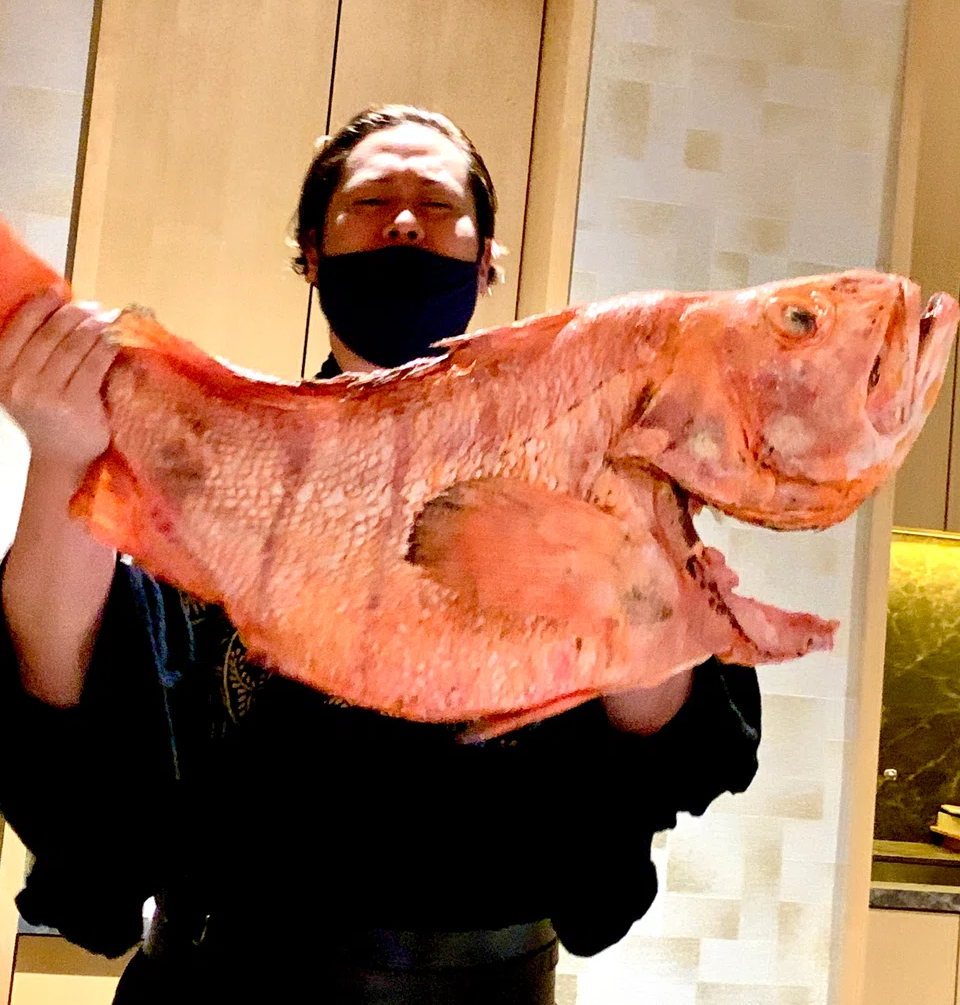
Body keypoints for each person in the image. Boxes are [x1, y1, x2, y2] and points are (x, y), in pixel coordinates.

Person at [0, 106, 761, 1004]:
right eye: (371, 201)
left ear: (489, 261)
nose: (404, 221)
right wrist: (63, 455)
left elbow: (668, 754)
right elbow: (62, 681)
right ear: (312, 253)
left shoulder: (588, 480)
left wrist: (632, 579)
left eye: (438, 205)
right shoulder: (218, 472)